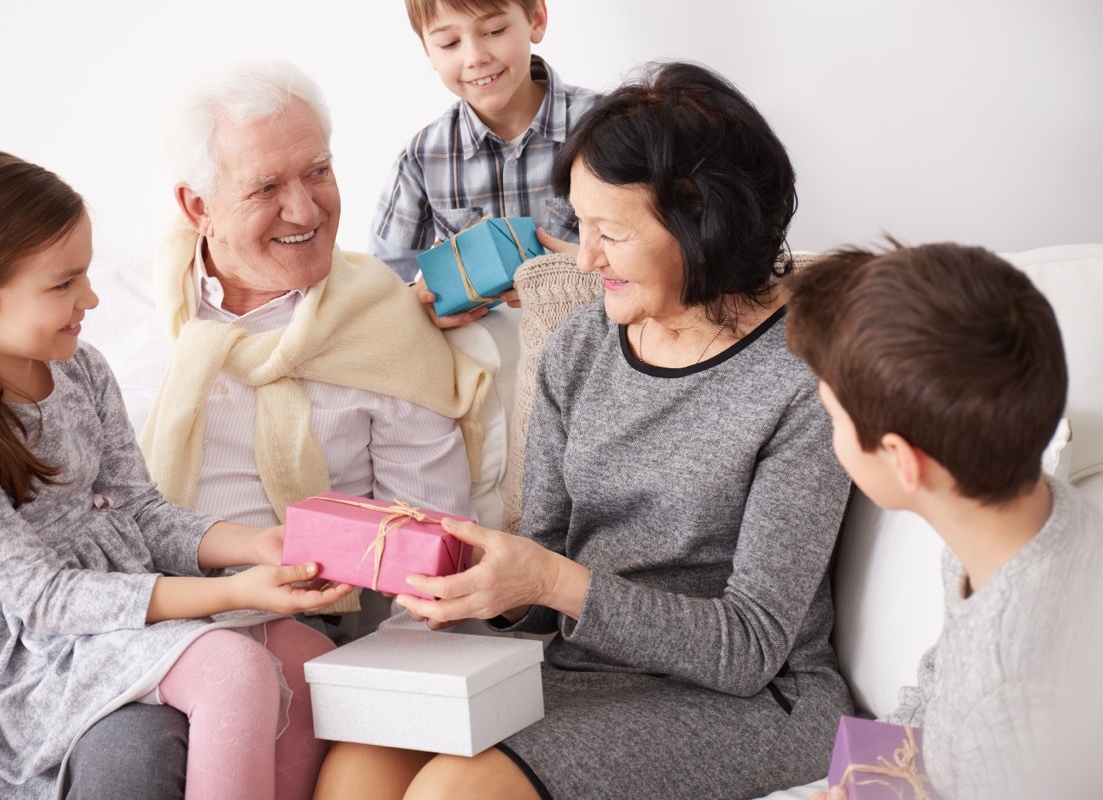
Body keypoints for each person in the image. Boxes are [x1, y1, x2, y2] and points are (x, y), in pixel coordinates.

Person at [314, 61, 854, 800]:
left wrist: (550, 580)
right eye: (581, 223)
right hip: (585, 673)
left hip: (749, 698)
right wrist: (486, 585)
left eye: (612, 232)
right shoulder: (582, 345)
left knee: (451, 793)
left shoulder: (799, 378)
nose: (586, 256)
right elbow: (544, 573)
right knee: (356, 769)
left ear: (703, 224)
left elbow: (751, 647)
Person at [0, 151, 356, 799]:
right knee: (233, 669)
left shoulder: (80, 369)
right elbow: (44, 599)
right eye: (63, 285)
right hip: (15, 641)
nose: (90, 298)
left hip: (111, 594)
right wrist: (235, 592)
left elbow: (140, 512)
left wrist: (257, 544)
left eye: (85, 275)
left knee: (308, 660)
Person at [144, 58, 490, 635]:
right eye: (265, 188)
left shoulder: (385, 323)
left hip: (304, 638)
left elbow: (428, 566)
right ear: (198, 207)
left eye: (318, 172)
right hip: (125, 627)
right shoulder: (96, 314)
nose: (305, 210)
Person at [786, 243, 1103, 800]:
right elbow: (943, 673)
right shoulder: (1016, 519)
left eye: (832, 417)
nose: (828, 432)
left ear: (902, 461)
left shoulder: (1012, 700)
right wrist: (874, 776)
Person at [369, 0, 597, 327]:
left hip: (597, 345)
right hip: (485, 359)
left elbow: (663, 249)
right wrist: (418, 304)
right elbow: (379, 287)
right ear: (428, 52)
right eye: (449, 43)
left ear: (536, 19)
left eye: (494, 31)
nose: (475, 58)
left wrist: (597, 273)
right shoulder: (422, 158)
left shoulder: (607, 128)